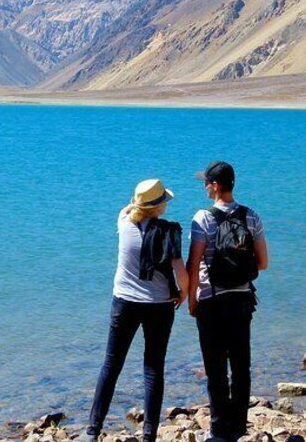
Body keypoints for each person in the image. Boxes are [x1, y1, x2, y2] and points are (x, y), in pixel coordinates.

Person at [83, 179, 189, 442]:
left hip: (124, 303)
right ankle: (149, 435)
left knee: (111, 364)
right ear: (158, 206)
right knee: (153, 368)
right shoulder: (169, 232)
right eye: (163, 199)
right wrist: (183, 295)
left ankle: (92, 431)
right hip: (159, 306)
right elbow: (181, 273)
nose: (166, 202)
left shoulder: (124, 222)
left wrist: (139, 201)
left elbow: (129, 208)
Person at [187, 162, 269, 442]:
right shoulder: (252, 216)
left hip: (211, 301)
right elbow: (264, 263)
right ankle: (239, 427)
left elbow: (194, 262)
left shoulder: (203, 218)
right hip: (242, 299)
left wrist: (191, 300)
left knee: (215, 367)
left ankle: (219, 429)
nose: (204, 187)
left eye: (206, 183)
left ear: (216, 186)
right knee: (241, 364)